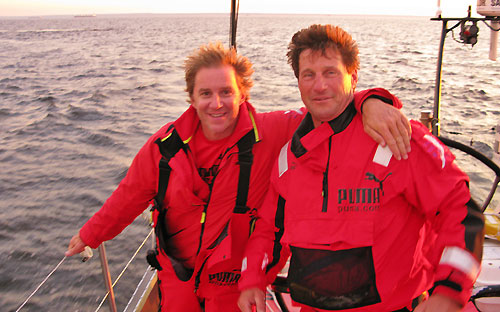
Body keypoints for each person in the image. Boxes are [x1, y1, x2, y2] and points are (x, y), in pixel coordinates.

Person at [65, 41, 410, 311]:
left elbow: (329, 112)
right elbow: (129, 196)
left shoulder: (274, 131)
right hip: (178, 277)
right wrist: (90, 235)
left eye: (226, 92)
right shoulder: (164, 147)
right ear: (192, 97)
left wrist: (371, 101)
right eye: (206, 93)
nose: (217, 103)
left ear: (242, 94)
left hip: (234, 283)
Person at [238, 24, 484, 312]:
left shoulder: (397, 139)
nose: (319, 86)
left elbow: (460, 211)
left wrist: (449, 292)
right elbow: (270, 231)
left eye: (330, 72)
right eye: (309, 75)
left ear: (352, 77)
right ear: (299, 83)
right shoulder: (287, 160)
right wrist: (253, 280)